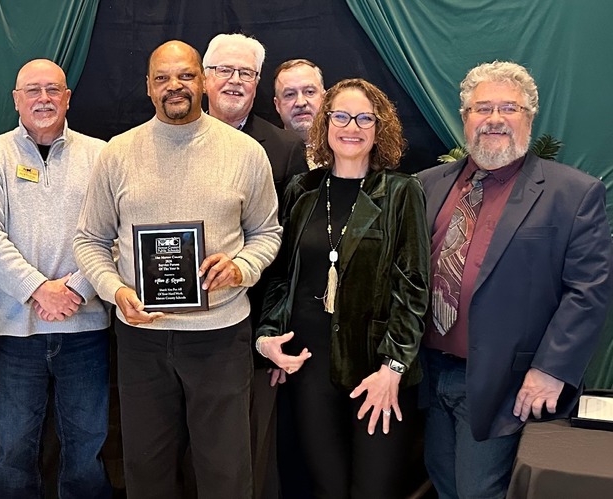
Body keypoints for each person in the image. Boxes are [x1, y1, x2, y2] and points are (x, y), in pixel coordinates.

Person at [74, 40, 281, 498]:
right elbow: (89, 240)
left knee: (226, 472)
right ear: (148, 87)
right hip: (141, 336)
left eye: (185, 76)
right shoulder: (117, 154)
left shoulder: (245, 152)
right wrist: (114, 290)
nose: (175, 87)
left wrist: (241, 267)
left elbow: (268, 234)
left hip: (221, 337)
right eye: (163, 78)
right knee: (146, 471)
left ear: (203, 82)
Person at [418, 61, 613, 498]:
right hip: (430, 375)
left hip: (507, 383)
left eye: (509, 108)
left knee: (478, 492)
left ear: (529, 117)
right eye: (481, 107)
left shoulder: (573, 193)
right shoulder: (427, 185)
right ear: (464, 117)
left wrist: (550, 369)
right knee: (444, 482)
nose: (494, 119)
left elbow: (589, 291)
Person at [257, 78, 429, 499]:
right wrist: (269, 338)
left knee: (374, 491)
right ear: (326, 123)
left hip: (377, 370)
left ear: (379, 127)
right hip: (310, 367)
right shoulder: (302, 190)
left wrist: (394, 368)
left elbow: (413, 289)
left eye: (364, 118)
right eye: (341, 116)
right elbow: (281, 278)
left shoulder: (402, 192)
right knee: (325, 489)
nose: (352, 126)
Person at [0, 59, 111, 498]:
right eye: (32, 90)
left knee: (87, 447)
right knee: (13, 450)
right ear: (16, 99)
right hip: (13, 331)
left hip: (85, 328)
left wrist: (77, 289)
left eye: (52, 90)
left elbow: (116, 233)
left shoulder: (101, 155)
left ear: (68, 97)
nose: (43, 99)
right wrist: (38, 289)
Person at [201, 32, 307, 499]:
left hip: (252, 330)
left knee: (248, 451)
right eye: (224, 69)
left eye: (245, 72)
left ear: (258, 83)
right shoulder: (167, 137)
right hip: (176, 326)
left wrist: (274, 330)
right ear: (205, 77)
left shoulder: (284, 148)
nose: (234, 80)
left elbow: (290, 250)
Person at [273, 58, 326, 144]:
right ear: (277, 105)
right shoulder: (261, 152)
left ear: (324, 98)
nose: (300, 103)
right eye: (290, 94)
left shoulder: (344, 149)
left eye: (309, 92)